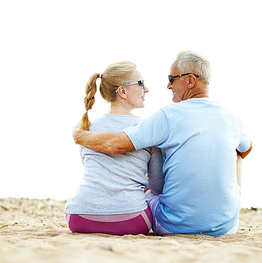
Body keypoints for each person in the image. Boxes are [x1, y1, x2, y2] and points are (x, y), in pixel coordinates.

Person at [73, 51, 252, 237]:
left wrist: (79, 136)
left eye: (171, 79)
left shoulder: (167, 116)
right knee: (236, 154)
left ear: (190, 81)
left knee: (152, 193)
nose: (168, 85)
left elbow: (115, 145)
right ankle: (224, 207)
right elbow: (246, 150)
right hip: (227, 226)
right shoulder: (232, 116)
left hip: (174, 226)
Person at [65, 61, 163, 236]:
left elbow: (90, 166)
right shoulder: (147, 128)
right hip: (131, 221)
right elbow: (157, 185)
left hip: (79, 217)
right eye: (140, 83)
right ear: (122, 91)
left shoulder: (88, 127)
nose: (146, 89)